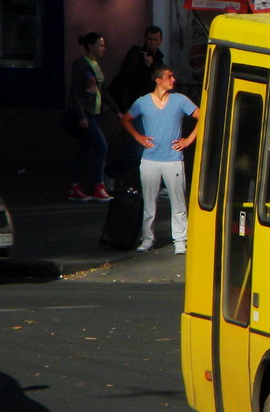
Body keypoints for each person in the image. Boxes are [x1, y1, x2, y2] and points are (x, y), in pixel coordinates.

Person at [122, 64, 199, 254]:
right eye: (169, 77)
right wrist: (138, 137)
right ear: (158, 80)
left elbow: (202, 115)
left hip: (173, 157)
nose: (173, 80)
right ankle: (147, 239)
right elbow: (126, 119)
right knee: (149, 201)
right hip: (150, 159)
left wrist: (188, 140)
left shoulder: (179, 100)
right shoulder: (143, 102)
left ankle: (180, 239)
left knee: (178, 200)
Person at [66, 31, 120, 202]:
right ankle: (99, 185)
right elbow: (74, 92)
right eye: (100, 45)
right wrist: (81, 115)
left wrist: (117, 111)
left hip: (96, 114)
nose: (103, 48)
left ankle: (75, 187)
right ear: (90, 46)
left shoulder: (96, 64)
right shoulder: (81, 65)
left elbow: (103, 90)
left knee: (84, 150)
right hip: (87, 114)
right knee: (102, 147)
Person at [110, 25, 165, 112]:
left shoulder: (159, 58)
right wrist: (146, 67)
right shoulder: (136, 54)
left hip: (153, 103)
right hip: (136, 101)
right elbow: (128, 77)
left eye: (155, 40)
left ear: (160, 41)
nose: (152, 43)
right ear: (145, 39)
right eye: (150, 39)